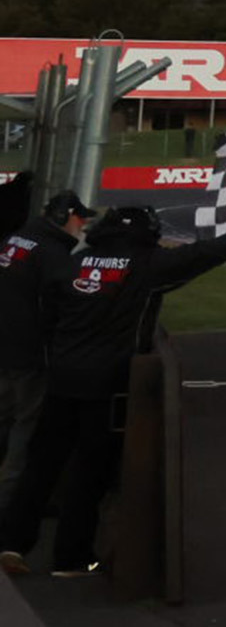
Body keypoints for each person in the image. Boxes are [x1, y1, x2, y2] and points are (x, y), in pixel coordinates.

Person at [0, 205, 226, 578]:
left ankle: (12, 543)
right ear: (148, 233)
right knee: (90, 473)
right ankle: (70, 559)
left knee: (42, 465)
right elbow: (204, 253)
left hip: (61, 378)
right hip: (108, 385)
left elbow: (49, 317)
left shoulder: (75, 262)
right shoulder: (146, 265)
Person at [0, 189, 93, 518]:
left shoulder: (17, 238)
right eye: (80, 218)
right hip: (28, 356)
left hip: (6, 349)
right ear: (64, 217)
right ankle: (7, 504)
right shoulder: (53, 254)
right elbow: (68, 301)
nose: (82, 225)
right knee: (26, 429)